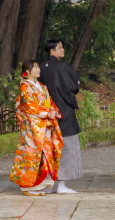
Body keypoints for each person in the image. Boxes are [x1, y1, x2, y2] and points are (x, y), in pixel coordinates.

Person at [10, 60, 63, 196]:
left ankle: (39, 185)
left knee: (45, 155)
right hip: (32, 127)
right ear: (27, 71)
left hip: (43, 125)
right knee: (31, 155)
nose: (38, 70)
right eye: (35, 67)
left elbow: (49, 102)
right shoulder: (25, 87)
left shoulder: (42, 86)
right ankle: (27, 187)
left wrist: (52, 111)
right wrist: (46, 113)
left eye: (39, 67)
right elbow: (28, 106)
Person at [39, 39, 83, 194]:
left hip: (46, 113)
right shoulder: (62, 67)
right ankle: (61, 185)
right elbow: (74, 85)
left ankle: (46, 184)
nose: (63, 50)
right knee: (66, 148)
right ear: (52, 50)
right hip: (62, 111)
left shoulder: (40, 68)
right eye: (60, 48)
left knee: (47, 149)